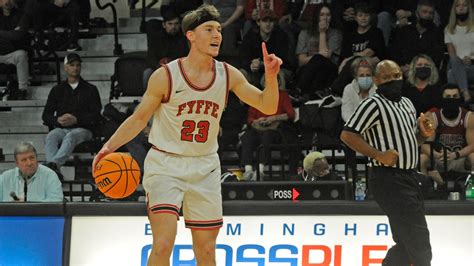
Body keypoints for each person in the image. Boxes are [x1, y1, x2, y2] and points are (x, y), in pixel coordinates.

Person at [92, 4, 282, 265]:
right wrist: (108, 147)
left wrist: (271, 77)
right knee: (162, 244)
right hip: (166, 165)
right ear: (190, 35)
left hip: (205, 166)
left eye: (218, 29)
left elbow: (267, 105)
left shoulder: (228, 74)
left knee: (205, 251)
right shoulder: (166, 76)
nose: (217, 35)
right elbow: (138, 119)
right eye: (209, 29)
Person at [340, 60, 434, 265]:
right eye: (386, 78)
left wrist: (423, 135)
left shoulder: (407, 103)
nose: (393, 81)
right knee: (420, 244)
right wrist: (378, 154)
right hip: (389, 179)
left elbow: (409, 140)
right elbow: (347, 135)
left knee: (405, 243)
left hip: (409, 177)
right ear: (376, 80)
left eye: (396, 76)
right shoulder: (372, 104)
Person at [42, 53, 102, 178]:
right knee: (51, 136)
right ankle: (53, 169)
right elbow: (46, 115)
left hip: (84, 129)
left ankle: (53, 167)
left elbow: (96, 115)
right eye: (72, 65)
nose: (75, 68)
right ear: (65, 67)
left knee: (71, 136)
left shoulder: (91, 89)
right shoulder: (57, 90)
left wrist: (77, 120)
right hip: (62, 128)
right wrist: (57, 120)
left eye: (78, 65)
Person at [241, 74, 296, 180]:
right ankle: (248, 170)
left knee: (267, 137)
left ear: (278, 83)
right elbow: (250, 118)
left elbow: (291, 114)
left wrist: (273, 118)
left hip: (274, 129)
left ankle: (260, 171)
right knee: (247, 137)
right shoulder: (257, 95)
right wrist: (257, 121)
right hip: (258, 128)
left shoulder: (283, 95)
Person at [420, 84, 474, 185]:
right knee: (422, 158)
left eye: (455, 97)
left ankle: (472, 188)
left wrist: (456, 154)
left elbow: (472, 145)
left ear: (459, 98)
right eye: (448, 97)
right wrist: (436, 155)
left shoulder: (469, 117)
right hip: (439, 157)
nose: (451, 100)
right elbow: (425, 145)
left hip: (460, 157)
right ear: (442, 98)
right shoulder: (432, 117)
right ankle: (425, 189)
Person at [295, 3, 342, 99]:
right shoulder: (305, 33)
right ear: (316, 17)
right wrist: (318, 55)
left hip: (329, 69)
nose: (325, 18)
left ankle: (298, 90)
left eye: (328, 15)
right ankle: (311, 97)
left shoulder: (335, 34)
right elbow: (301, 61)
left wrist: (322, 32)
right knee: (315, 66)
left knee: (320, 63)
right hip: (308, 71)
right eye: (322, 14)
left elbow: (325, 58)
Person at [389, 0, 445, 74]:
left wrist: (415, 67)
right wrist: (401, 66)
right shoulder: (405, 31)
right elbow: (395, 52)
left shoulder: (437, 33)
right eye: (424, 12)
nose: (428, 15)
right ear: (416, 13)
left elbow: (437, 57)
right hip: (403, 70)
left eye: (431, 13)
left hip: (427, 71)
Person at [239, 8, 291, 87]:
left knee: (272, 76)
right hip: (256, 72)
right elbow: (243, 57)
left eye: (271, 21)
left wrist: (263, 64)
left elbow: (283, 61)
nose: (268, 24)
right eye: (264, 21)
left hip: (276, 70)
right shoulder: (250, 36)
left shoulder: (281, 36)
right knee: (241, 74)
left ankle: (275, 99)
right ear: (258, 22)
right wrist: (251, 64)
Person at [143, 8, 188, 89]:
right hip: (159, 68)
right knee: (147, 73)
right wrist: (158, 67)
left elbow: (186, 56)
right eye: (170, 24)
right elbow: (150, 56)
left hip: (178, 69)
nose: (173, 27)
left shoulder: (184, 38)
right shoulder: (157, 37)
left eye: (176, 24)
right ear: (164, 25)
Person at [445, 0, 474, 103]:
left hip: (472, 66)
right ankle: (465, 93)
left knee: (451, 74)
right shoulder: (449, 29)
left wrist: (472, 59)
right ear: (454, 9)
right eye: (458, 5)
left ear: (469, 8)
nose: (461, 8)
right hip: (458, 65)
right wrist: (461, 62)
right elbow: (452, 55)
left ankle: (460, 102)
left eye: (464, 5)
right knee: (453, 66)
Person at [0, 0, 30, 100]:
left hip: (13, 51)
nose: (7, 1)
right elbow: (13, 35)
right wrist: (11, 34)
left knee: (21, 55)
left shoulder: (22, 15)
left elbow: (18, 35)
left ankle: (22, 89)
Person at [341, 57, 376, 122]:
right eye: (361, 75)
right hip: (352, 127)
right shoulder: (348, 89)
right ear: (355, 76)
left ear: (373, 76)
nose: (365, 78)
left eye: (368, 75)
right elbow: (346, 112)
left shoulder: (378, 89)